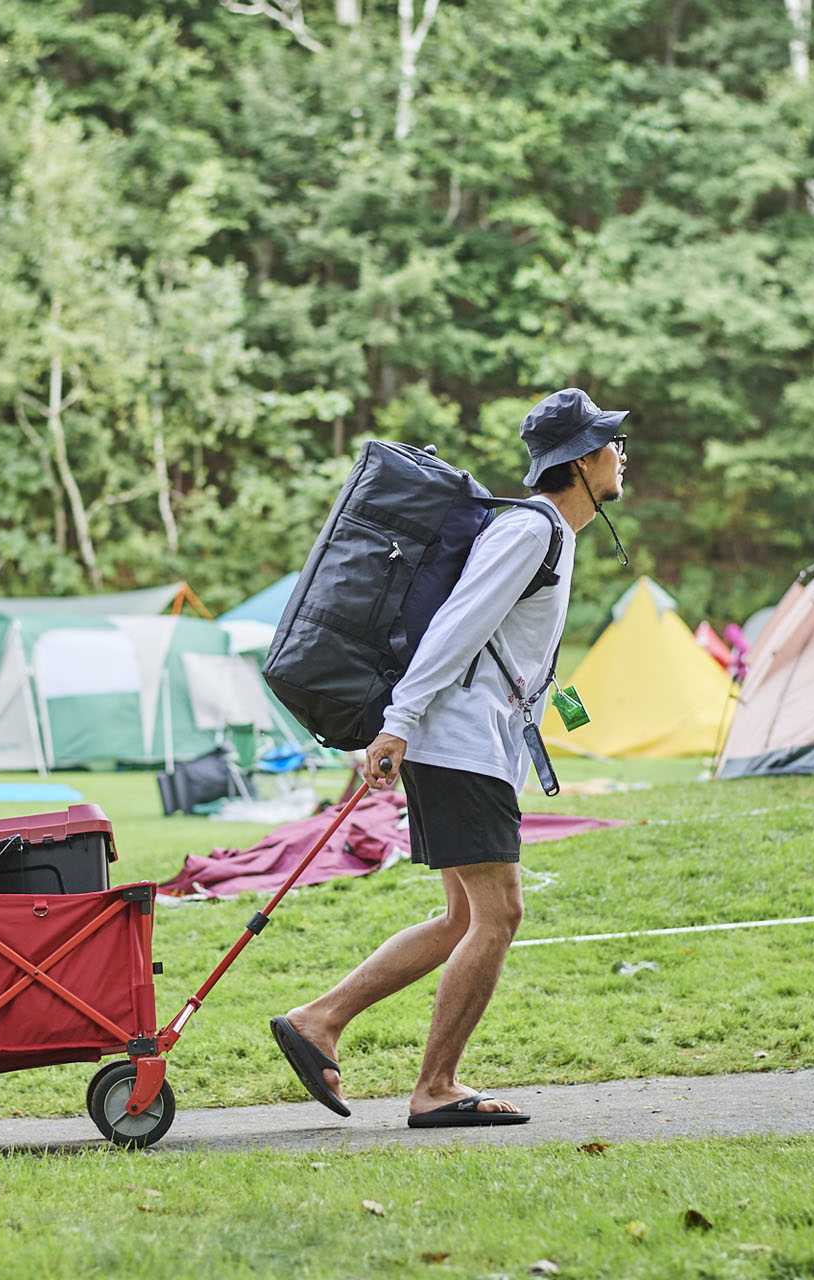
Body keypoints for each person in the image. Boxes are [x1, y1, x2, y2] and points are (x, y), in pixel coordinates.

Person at [270, 388, 628, 1127]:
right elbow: (456, 629)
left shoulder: (545, 533)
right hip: (455, 742)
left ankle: (319, 1021)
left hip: (465, 744)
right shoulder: (532, 532)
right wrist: (398, 723)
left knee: (463, 918)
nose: (621, 455)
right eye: (611, 444)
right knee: (500, 913)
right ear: (585, 461)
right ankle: (436, 1087)